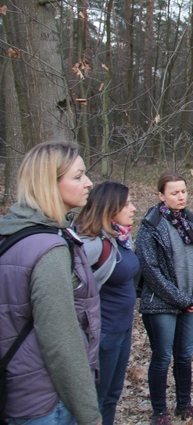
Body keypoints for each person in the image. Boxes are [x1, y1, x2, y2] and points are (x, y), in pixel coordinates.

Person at [0, 141, 101, 425]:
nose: (89, 183)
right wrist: (89, 413)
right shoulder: (49, 248)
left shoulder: (9, 233)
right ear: (49, 183)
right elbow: (61, 340)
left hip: (16, 391)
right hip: (46, 401)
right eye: (78, 176)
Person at [137, 172, 193, 425]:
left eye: (183, 191)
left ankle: (184, 406)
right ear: (161, 196)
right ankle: (159, 413)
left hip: (191, 303)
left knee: (184, 356)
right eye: (174, 193)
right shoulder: (151, 225)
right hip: (161, 304)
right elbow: (150, 269)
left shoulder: (191, 222)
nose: (181, 197)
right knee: (162, 357)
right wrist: (180, 299)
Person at [77, 182, 140, 425]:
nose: (133, 208)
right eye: (126, 204)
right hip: (104, 333)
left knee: (113, 394)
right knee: (98, 398)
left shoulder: (120, 236)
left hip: (122, 329)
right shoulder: (91, 244)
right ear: (109, 208)